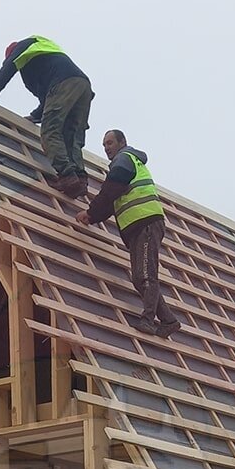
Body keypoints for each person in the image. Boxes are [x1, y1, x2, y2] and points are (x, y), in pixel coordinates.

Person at [79, 130, 182, 335]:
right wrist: (93, 217)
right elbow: (112, 199)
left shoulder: (125, 159)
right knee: (139, 278)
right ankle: (169, 320)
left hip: (147, 223)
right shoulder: (123, 166)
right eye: (103, 145)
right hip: (137, 226)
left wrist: (91, 213)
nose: (106, 147)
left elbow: (110, 190)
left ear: (122, 142)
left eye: (109, 143)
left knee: (145, 275)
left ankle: (148, 320)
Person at [0, 37, 93, 198]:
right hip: (83, 86)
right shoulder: (44, 57)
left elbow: (9, 66)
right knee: (72, 134)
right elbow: (47, 99)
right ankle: (80, 179)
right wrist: (34, 116)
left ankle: (67, 176)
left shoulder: (24, 46)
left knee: (50, 131)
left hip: (64, 83)